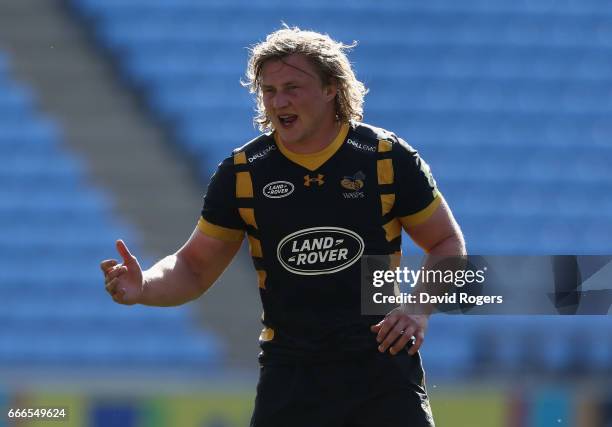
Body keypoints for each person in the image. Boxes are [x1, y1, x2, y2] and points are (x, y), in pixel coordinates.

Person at [101, 26, 465, 427]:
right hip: (291, 376)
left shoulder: (385, 158)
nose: (279, 101)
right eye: (269, 91)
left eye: (293, 86)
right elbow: (193, 267)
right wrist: (144, 287)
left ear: (331, 88)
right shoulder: (242, 172)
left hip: (381, 369)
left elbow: (446, 242)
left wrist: (418, 309)